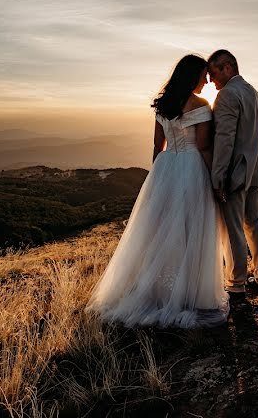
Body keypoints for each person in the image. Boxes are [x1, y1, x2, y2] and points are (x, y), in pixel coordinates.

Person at [86, 54, 229, 328]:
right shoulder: (200, 106)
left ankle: (161, 289)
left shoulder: (163, 105)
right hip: (192, 167)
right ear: (192, 76)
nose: (206, 81)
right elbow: (204, 147)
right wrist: (215, 179)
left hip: (166, 167)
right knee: (190, 228)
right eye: (203, 76)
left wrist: (158, 177)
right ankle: (188, 292)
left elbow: (157, 145)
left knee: (161, 231)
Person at [208, 49, 258, 297]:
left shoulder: (227, 95)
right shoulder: (254, 93)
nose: (212, 81)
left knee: (232, 228)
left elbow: (224, 140)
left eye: (214, 74)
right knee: (254, 226)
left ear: (228, 67)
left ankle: (236, 283)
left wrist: (218, 177)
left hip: (235, 174)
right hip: (255, 170)